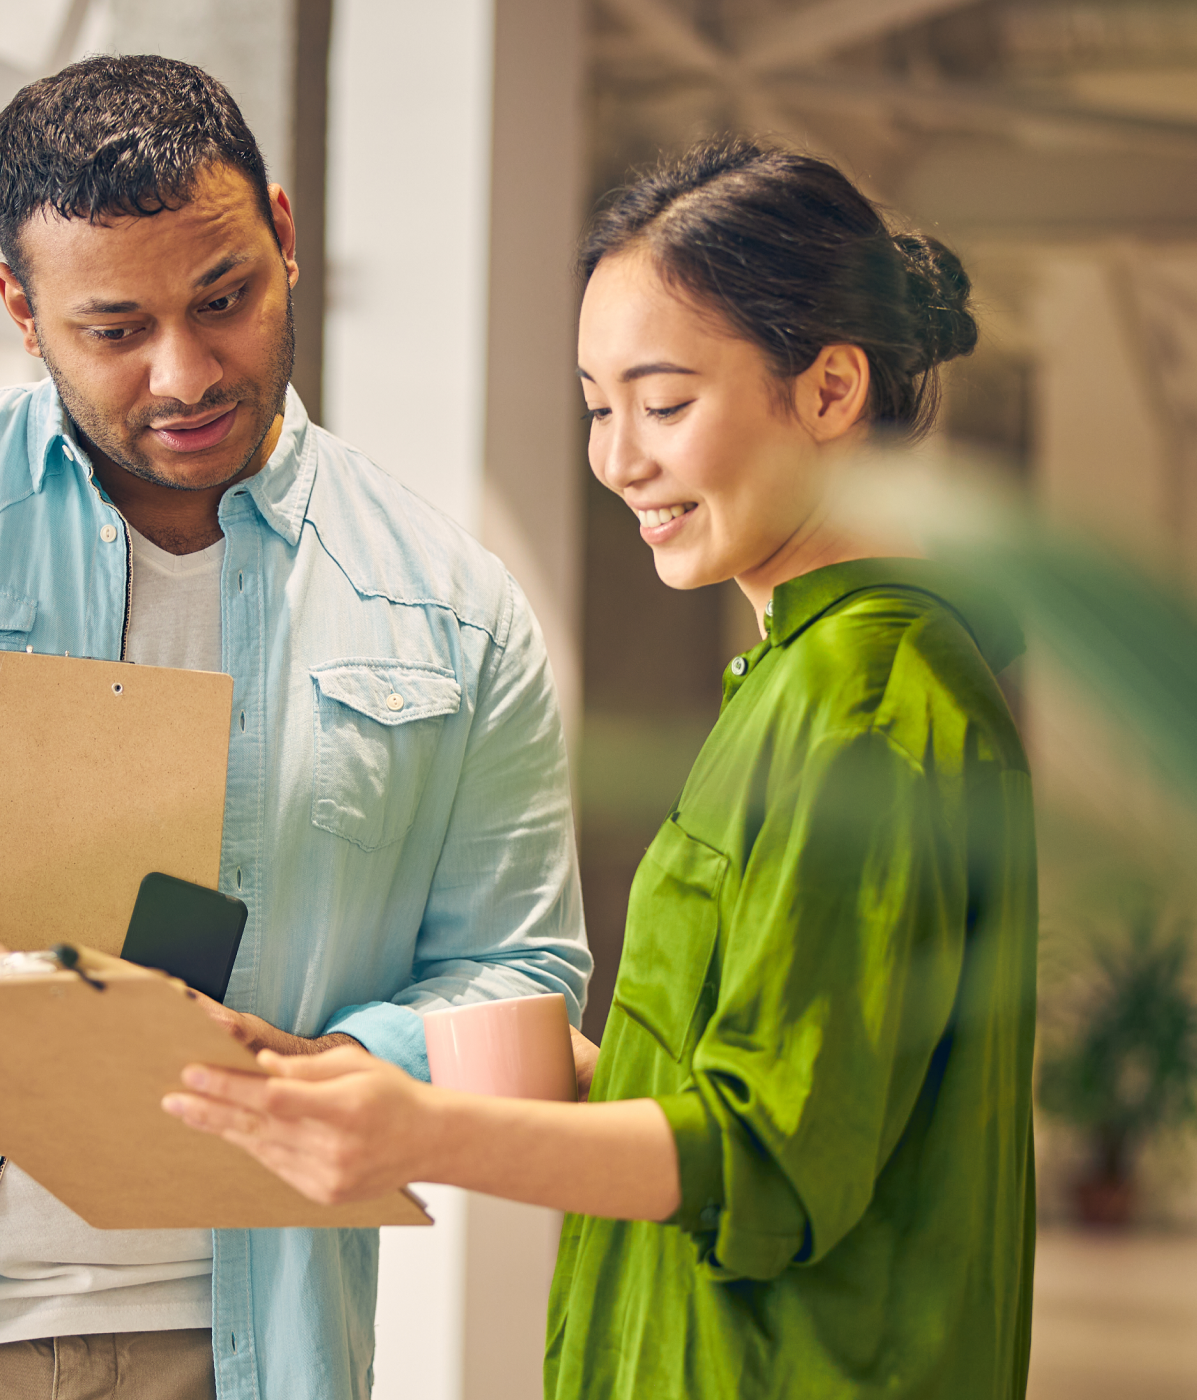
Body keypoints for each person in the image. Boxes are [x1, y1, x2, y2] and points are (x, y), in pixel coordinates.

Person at [0, 56, 589, 1400]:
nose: (187, 372)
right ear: (19, 311)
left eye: (227, 299)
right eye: (114, 328)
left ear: (282, 231)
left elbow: (521, 972)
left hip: (249, 1342)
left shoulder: (449, 606)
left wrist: (338, 1070)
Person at [164, 137, 1037, 1399]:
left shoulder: (869, 701)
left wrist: (423, 1137)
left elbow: (769, 1161)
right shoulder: (793, 676)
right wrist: (386, 1063)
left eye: (664, 402)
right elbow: (734, 1082)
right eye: (596, 405)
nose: (617, 459)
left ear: (831, 388)